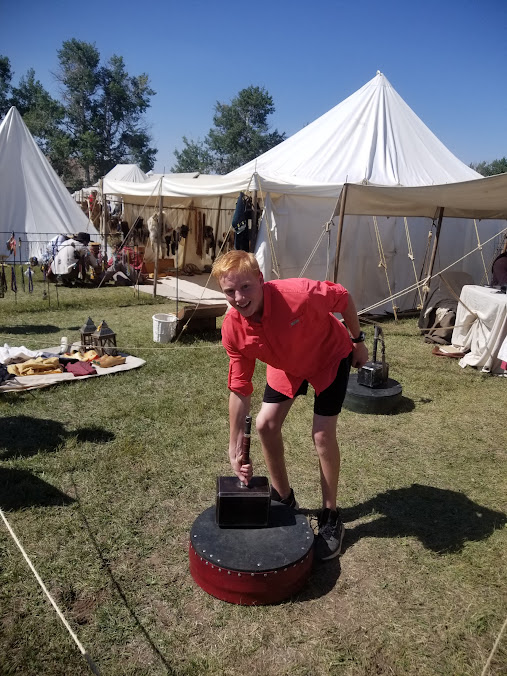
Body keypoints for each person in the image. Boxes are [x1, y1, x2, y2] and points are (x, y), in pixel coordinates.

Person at [211, 250, 368, 560]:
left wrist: (358, 340)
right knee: (265, 425)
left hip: (329, 355)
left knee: (322, 434)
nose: (239, 298)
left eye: (245, 287)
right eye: (230, 291)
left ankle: (331, 515)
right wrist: (233, 447)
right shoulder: (232, 328)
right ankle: (284, 497)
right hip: (286, 365)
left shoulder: (300, 294)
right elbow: (239, 388)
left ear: (260, 279)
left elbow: (343, 297)